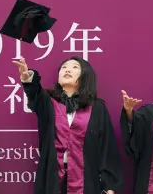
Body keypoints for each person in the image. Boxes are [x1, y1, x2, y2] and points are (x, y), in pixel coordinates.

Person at [14, 56, 123, 194]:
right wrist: (27, 77)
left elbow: (107, 147)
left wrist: (110, 187)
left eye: (75, 67)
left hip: (87, 179)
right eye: (64, 67)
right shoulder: (48, 102)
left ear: (85, 76)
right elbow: (35, 94)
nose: (68, 70)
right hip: (53, 179)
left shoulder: (97, 108)